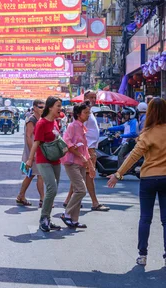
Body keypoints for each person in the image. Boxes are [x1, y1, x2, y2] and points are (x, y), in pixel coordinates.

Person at [107, 97, 166, 267]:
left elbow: (133, 156)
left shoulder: (146, 133)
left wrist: (118, 174)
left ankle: (143, 255)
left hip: (148, 178)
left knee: (145, 218)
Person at [64, 90, 110, 212]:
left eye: (95, 97)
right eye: (90, 97)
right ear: (85, 98)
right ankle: (94, 202)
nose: (93, 100)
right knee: (88, 176)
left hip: (89, 148)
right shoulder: (83, 113)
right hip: (87, 149)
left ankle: (69, 199)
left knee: (80, 176)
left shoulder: (88, 112)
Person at [26, 96, 63, 232]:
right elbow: (36, 142)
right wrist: (30, 159)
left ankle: (48, 218)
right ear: (51, 107)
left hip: (56, 160)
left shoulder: (55, 122)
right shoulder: (41, 123)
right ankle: (43, 219)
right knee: (51, 188)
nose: (60, 108)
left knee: (53, 191)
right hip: (43, 160)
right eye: (58, 106)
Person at [60, 103, 94, 229]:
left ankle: (74, 220)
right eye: (85, 112)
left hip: (80, 163)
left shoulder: (82, 127)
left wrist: (90, 165)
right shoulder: (72, 126)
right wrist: (81, 156)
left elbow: (85, 149)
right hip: (72, 162)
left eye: (88, 112)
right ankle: (66, 213)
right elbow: (67, 144)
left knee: (77, 190)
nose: (88, 115)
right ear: (78, 114)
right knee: (81, 190)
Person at [16, 99, 45, 207]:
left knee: (31, 175)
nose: (43, 109)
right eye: (40, 107)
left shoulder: (39, 119)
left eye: (44, 107)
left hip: (37, 151)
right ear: (34, 108)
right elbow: (29, 137)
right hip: (33, 152)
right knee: (40, 174)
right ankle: (43, 199)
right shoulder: (31, 119)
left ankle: (21, 196)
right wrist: (33, 154)